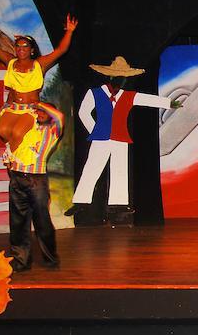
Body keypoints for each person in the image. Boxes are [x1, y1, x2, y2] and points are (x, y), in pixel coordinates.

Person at [66, 57, 180, 216]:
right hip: (100, 138)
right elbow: (83, 112)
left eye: (123, 77)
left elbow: (148, 99)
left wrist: (169, 103)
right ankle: (81, 202)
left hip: (120, 137)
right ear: (110, 77)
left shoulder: (128, 96)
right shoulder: (95, 93)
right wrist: (96, 130)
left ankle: (118, 204)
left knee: (119, 170)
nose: (121, 80)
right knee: (92, 168)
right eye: (118, 77)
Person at [0, 7, 77, 152]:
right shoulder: (10, 61)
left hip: (30, 109)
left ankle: (16, 159)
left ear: (31, 50)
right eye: (18, 47)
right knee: (3, 130)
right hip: (12, 108)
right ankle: (16, 158)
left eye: (25, 47)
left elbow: (60, 50)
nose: (21, 49)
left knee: (18, 136)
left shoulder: (40, 64)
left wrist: (69, 31)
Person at [4, 102, 65, 272]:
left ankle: (50, 259)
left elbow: (60, 117)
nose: (40, 113)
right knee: (18, 222)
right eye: (38, 111)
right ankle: (21, 261)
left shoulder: (51, 131)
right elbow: (9, 152)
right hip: (17, 178)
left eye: (44, 111)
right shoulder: (24, 130)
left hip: (36, 180)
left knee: (42, 221)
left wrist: (37, 103)